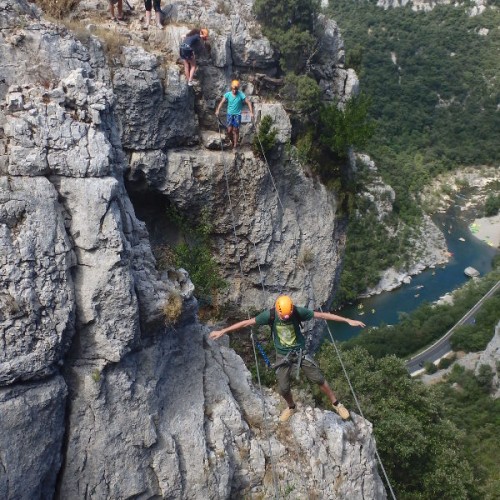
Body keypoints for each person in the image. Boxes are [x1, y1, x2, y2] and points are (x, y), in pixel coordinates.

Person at [209, 295, 366, 422]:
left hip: (299, 352)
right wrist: (223, 331)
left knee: (319, 379)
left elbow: (322, 315)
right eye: (283, 316)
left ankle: (337, 404)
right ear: (277, 311)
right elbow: (246, 323)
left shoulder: (297, 312)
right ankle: (291, 407)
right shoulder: (269, 315)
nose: (285, 317)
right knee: (283, 388)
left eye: (288, 315)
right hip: (282, 355)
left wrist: (347, 320)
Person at [215, 80, 254, 149]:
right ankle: (232, 142)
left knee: (235, 130)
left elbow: (248, 102)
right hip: (230, 114)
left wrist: (251, 112)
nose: (234, 91)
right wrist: (218, 110)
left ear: (238, 89)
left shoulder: (241, 94)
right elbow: (221, 102)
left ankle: (235, 145)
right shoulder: (228, 94)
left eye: (236, 89)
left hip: (237, 114)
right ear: (231, 88)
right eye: (233, 89)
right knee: (229, 130)